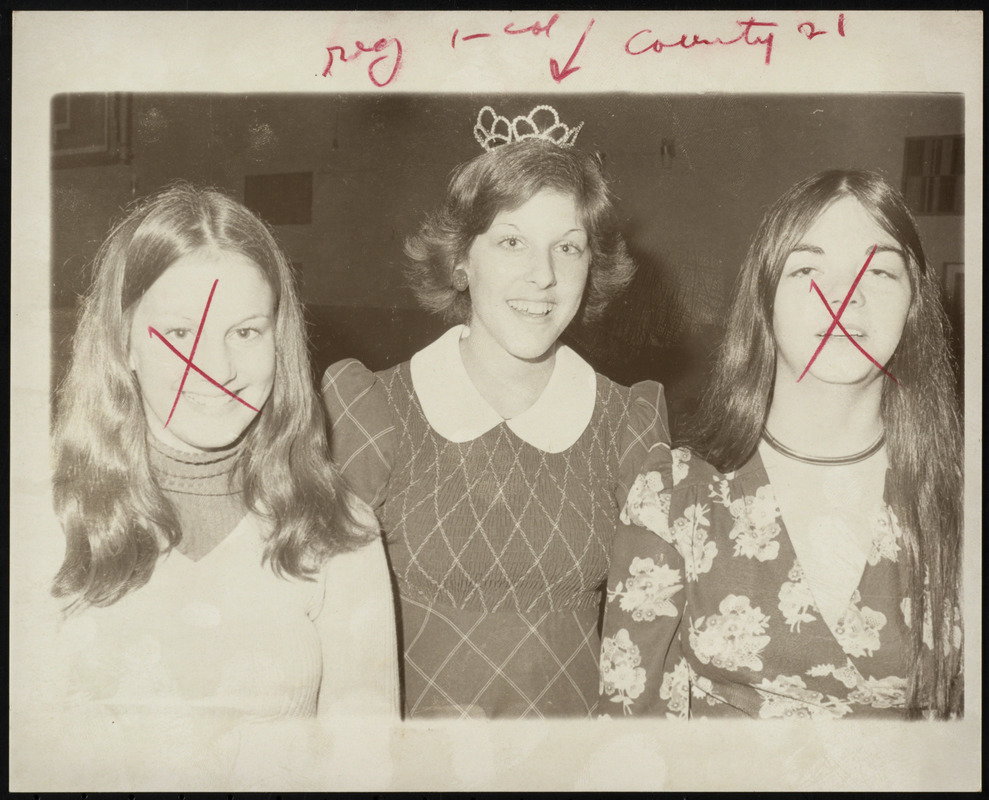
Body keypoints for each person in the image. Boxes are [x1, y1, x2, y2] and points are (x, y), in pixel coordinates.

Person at [322, 105, 669, 718]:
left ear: (593, 267)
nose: (543, 275)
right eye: (512, 241)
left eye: (569, 247)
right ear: (461, 260)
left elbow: (644, 645)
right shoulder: (373, 410)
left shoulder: (626, 424)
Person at [600, 169, 963, 720]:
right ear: (763, 303)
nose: (845, 295)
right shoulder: (672, 496)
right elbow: (628, 736)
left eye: (881, 270)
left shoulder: (962, 498)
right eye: (808, 268)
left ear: (915, 305)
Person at [48, 183, 400, 721]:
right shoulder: (42, 516)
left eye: (244, 331)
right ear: (125, 344)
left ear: (277, 342)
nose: (216, 367)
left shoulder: (338, 530)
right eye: (181, 332)